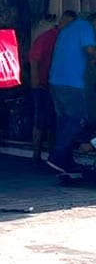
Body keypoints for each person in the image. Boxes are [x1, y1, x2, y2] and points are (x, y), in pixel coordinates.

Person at [47, 11, 96, 175]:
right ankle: (58, 157)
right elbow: (90, 50)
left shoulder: (69, 29)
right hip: (71, 82)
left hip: (56, 81)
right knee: (76, 120)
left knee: (64, 122)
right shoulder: (86, 27)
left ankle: (65, 162)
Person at [29, 11, 75, 166]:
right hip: (43, 84)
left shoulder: (68, 39)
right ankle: (36, 155)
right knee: (41, 120)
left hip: (59, 85)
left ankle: (52, 156)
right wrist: (35, 80)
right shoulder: (49, 37)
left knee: (55, 121)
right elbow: (34, 58)